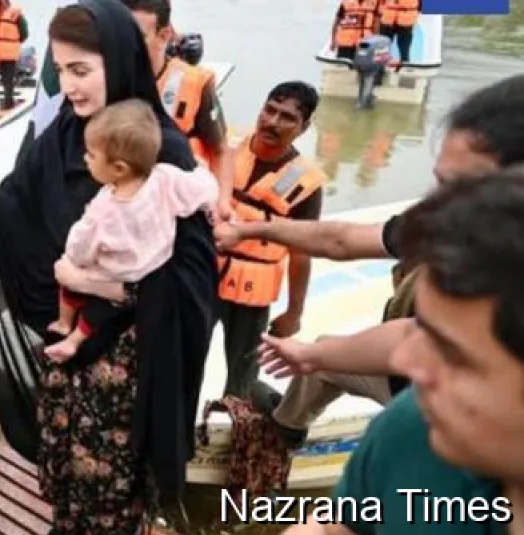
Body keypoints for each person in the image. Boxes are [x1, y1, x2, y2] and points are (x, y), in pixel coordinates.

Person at [0, 1, 217, 533]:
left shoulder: (160, 151)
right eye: (60, 71)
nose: (69, 86)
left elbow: (192, 280)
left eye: (81, 70)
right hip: (66, 353)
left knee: (110, 490)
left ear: (119, 60)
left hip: (127, 366)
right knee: (65, 471)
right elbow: (8, 211)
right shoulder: (64, 132)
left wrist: (99, 285)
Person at [215, 74, 524, 448]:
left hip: (477, 419)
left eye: (459, 187)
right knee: (322, 364)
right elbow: (340, 240)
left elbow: (412, 337)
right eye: (441, 183)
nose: (440, 202)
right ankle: (283, 433)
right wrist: (252, 231)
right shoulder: (440, 222)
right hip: (408, 378)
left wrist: (310, 351)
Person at [283, 171, 524, 535]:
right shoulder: (413, 428)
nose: (401, 361)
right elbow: (334, 529)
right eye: (420, 327)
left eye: (450, 352)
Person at [45, 98, 218, 360]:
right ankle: (76, 338)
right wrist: (203, 172)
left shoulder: (103, 209)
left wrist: (72, 262)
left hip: (116, 273)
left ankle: (64, 323)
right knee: (105, 309)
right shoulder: (165, 179)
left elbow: (80, 246)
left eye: (91, 155)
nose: (85, 159)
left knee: (69, 279)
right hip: (153, 266)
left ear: (118, 168)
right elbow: (204, 190)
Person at [215, 81, 325, 398]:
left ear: (304, 127)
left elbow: (301, 253)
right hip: (202, 272)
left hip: (251, 291)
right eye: (269, 110)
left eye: (287, 117)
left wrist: (294, 313)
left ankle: (236, 419)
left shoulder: (307, 183)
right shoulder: (224, 145)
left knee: (242, 378)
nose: (272, 122)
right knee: (179, 358)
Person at [123, 0, 231, 203]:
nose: (128, 45)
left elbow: (220, 149)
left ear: (164, 36)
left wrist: (222, 204)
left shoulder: (194, 84)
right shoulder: (100, 80)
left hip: (180, 202)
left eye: (138, 37)